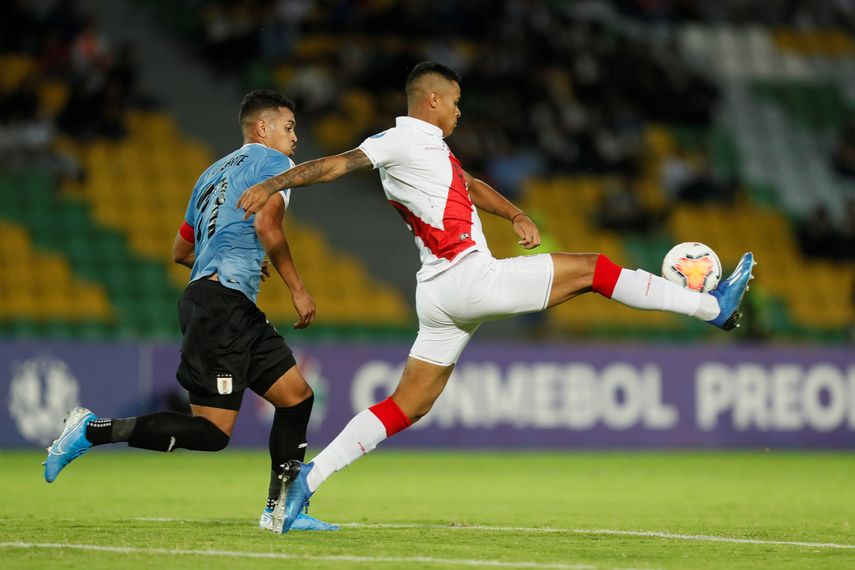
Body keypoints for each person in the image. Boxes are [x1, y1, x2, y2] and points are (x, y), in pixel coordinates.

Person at [237, 62, 756, 534]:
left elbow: (469, 183)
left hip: (440, 293)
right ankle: (713, 307)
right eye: (457, 102)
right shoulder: (397, 141)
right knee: (594, 269)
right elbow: (335, 164)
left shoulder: (433, 152)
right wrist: (274, 184)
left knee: (408, 404)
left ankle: (304, 485)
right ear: (433, 101)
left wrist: (515, 214)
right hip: (469, 279)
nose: (461, 111)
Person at [43, 90, 338, 532]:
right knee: (212, 432)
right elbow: (267, 224)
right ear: (263, 129)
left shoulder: (209, 174)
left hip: (215, 300)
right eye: (289, 127)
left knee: (297, 396)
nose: (295, 138)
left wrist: (228, 259)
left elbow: (182, 249)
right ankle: (91, 429)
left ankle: (282, 510)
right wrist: (298, 288)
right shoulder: (276, 166)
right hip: (223, 308)